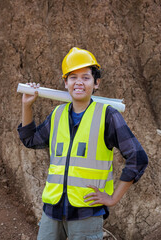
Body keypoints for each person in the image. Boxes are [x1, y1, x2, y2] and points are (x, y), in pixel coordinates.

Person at [18, 47, 148, 240]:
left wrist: (112, 198)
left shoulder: (107, 116)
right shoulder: (57, 115)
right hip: (52, 212)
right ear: (65, 82)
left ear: (96, 83)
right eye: (73, 77)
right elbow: (30, 140)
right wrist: (26, 106)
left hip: (86, 214)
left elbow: (138, 158)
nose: (79, 82)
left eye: (86, 77)